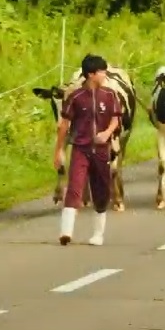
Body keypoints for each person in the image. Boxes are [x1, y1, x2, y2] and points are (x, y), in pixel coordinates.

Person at [55, 54, 123, 246]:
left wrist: (107, 133)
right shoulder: (75, 97)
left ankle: (98, 234)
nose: (104, 75)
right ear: (91, 74)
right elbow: (64, 125)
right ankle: (66, 232)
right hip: (80, 148)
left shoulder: (110, 95)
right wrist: (59, 150)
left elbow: (115, 118)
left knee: (101, 190)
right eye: (102, 72)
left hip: (102, 150)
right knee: (75, 187)